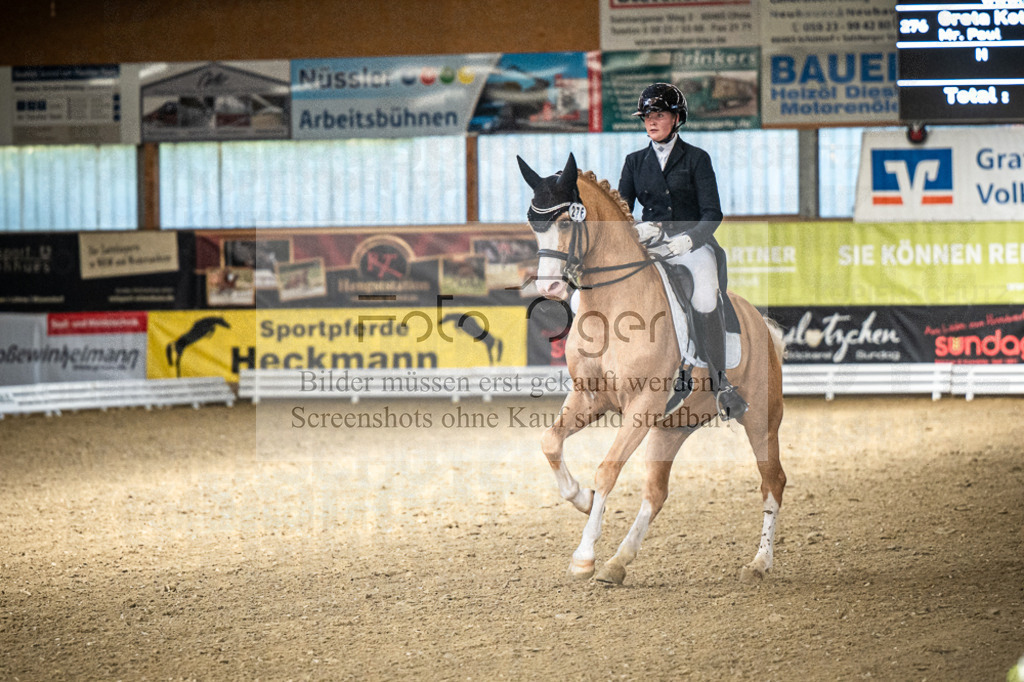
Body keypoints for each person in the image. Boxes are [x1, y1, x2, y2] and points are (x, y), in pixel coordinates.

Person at [617, 82, 747, 421]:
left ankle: (720, 382)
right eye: (647, 116)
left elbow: (712, 213)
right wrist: (637, 230)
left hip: (692, 246)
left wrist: (690, 239)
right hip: (652, 245)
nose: (651, 121)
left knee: (704, 297)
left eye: (659, 115)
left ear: (677, 119)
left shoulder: (696, 159)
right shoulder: (634, 162)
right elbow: (621, 214)